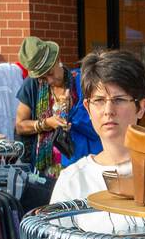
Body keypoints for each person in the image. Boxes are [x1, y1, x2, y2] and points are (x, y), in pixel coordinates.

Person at [50, 49, 145, 231]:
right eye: (99, 100)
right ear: (88, 107)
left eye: (119, 99)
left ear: (141, 107)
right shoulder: (74, 180)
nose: (108, 110)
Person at [14, 36, 99, 176]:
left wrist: (72, 110)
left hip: (80, 165)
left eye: (50, 73)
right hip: (45, 170)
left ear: (58, 59)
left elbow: (96, 125)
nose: (49, 80)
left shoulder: (81, 81)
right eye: (42, 77)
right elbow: (20, 126)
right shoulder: (32, 85)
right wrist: (46, 123)